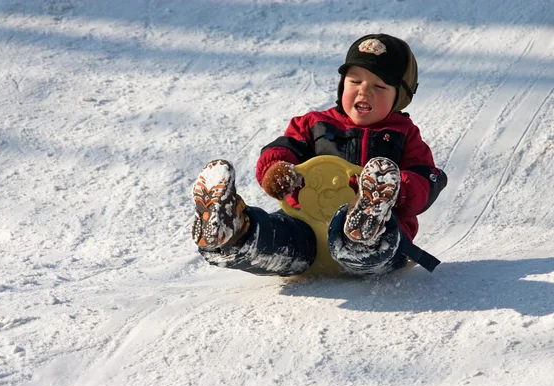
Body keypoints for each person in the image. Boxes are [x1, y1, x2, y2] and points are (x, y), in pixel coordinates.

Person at [191, 33, 447, 277]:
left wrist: (394, 189)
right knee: (278, 239)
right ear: (342, 84)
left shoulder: (405, 135)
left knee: (373, 240)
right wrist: (277, 170)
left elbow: (426, 180)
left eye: (379, 86)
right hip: (306, 223)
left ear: (399, 97)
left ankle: (367, 219)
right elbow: (282, 148)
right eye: (354, 81)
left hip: (379, 235)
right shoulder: (314, 124)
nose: (363, 91)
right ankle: (233, 231)